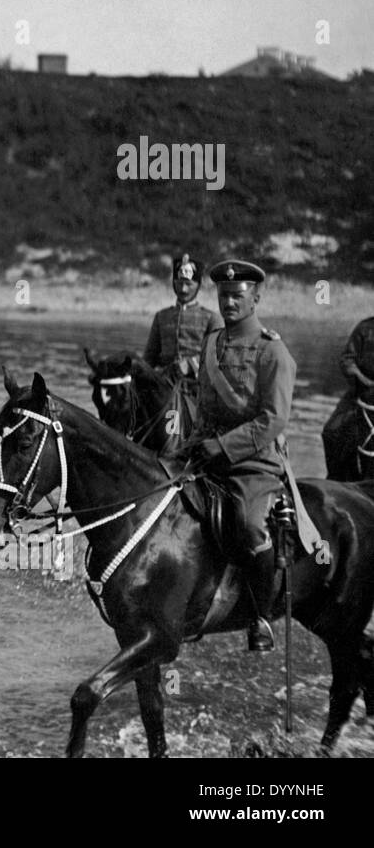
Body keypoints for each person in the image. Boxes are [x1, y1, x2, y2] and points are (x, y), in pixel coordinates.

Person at [181, 259, 295, 652]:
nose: (229, 302)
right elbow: (205, 406)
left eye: (237, 296)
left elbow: (274, 419)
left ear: (255, 298)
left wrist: (225, 447)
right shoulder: (211, 344)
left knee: (248, 524)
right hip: (207, 454)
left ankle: (260, 616)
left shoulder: (273, 351)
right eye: (223, 295)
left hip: (253, 462)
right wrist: (190, 446)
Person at [143, 253, 222, 379]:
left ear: (198, 285)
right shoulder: (161, 317)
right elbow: (149, 358)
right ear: (174, 283)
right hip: (163, 383)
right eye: (179, 283)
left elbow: (218, 354)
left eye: (189, 284)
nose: (183, 289)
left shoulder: (211, 319)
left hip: (198, 384)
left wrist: (190, 365)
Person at [321, 315, 374, 480]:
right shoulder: (365, 328)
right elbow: (347, 360)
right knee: (332, 431)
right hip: (362, 393)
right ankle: (337, 481)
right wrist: (364, 382)